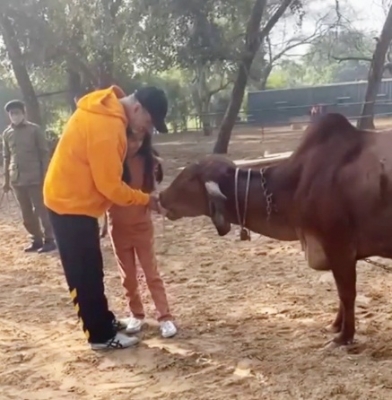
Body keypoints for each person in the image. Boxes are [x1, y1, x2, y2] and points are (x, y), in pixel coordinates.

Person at [43, 85, 168, 350]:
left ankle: (104, 321)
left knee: (93, 269)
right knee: (83, 274)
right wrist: (147, 199)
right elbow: (110, 187)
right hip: (68, 206)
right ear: (137, 108)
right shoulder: (107, 127)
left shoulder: (110, 112)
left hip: (79, 204)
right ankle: (99, 336)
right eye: (148, 121)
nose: (147, 129)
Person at [108, 131, 177, 339]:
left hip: (142, 227)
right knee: (127, 276)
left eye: (140, 139)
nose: (135, 144)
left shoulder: (148, 162)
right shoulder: (110, 160)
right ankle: (136, 314)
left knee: (151, 273)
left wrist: (162, 206)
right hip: (118, 227)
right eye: (130, 138)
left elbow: (152, 195)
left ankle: (165, 317)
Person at [2, 100, 56, 253]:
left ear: (23, 113)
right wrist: (6, 181)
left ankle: (50, 239)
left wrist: (45, 175)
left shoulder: (34, 130)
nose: (14, 116)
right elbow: (6, 157)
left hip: (35, 177)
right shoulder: (7, 134)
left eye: (17, 113)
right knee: (26, 213)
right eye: (12, 114)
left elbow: (44, 153)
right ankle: (36, 239)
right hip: (17, 179)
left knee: (41, 209)